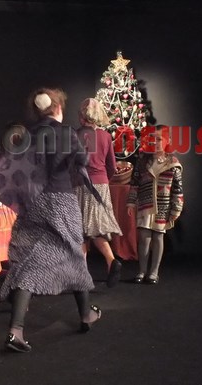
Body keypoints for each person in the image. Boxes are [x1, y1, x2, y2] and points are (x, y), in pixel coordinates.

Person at [0, 87, 102, 353]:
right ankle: (86, 314)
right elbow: (82, 159)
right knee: (74, 253)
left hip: (33, 204)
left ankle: (15, 330)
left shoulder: (28, 135)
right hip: (61, 202)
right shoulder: (65, 133)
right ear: (57, 108)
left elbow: (12, 168)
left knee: (28, 260)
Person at [126, 125, 184, 284]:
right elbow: (135, 183)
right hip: (145, 205)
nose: (155, 142)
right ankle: (141, 270)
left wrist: (176, 208)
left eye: (159, 139)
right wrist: (131, 202)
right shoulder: (143, 161)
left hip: (162, 206)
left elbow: (177, 189)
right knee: (144, 238)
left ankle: (154, 272)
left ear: (167, 141)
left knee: (158, 237)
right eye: (153, 139)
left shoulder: (172, 163)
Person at [75, 98, 123, 288]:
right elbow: (112, 166)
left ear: (82, 116)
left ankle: (82, 276)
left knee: (81, 231)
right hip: (101, 185)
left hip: (81, 185)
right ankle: (111, 261)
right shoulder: (106, 136)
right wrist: (103, 180)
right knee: (95, 228)